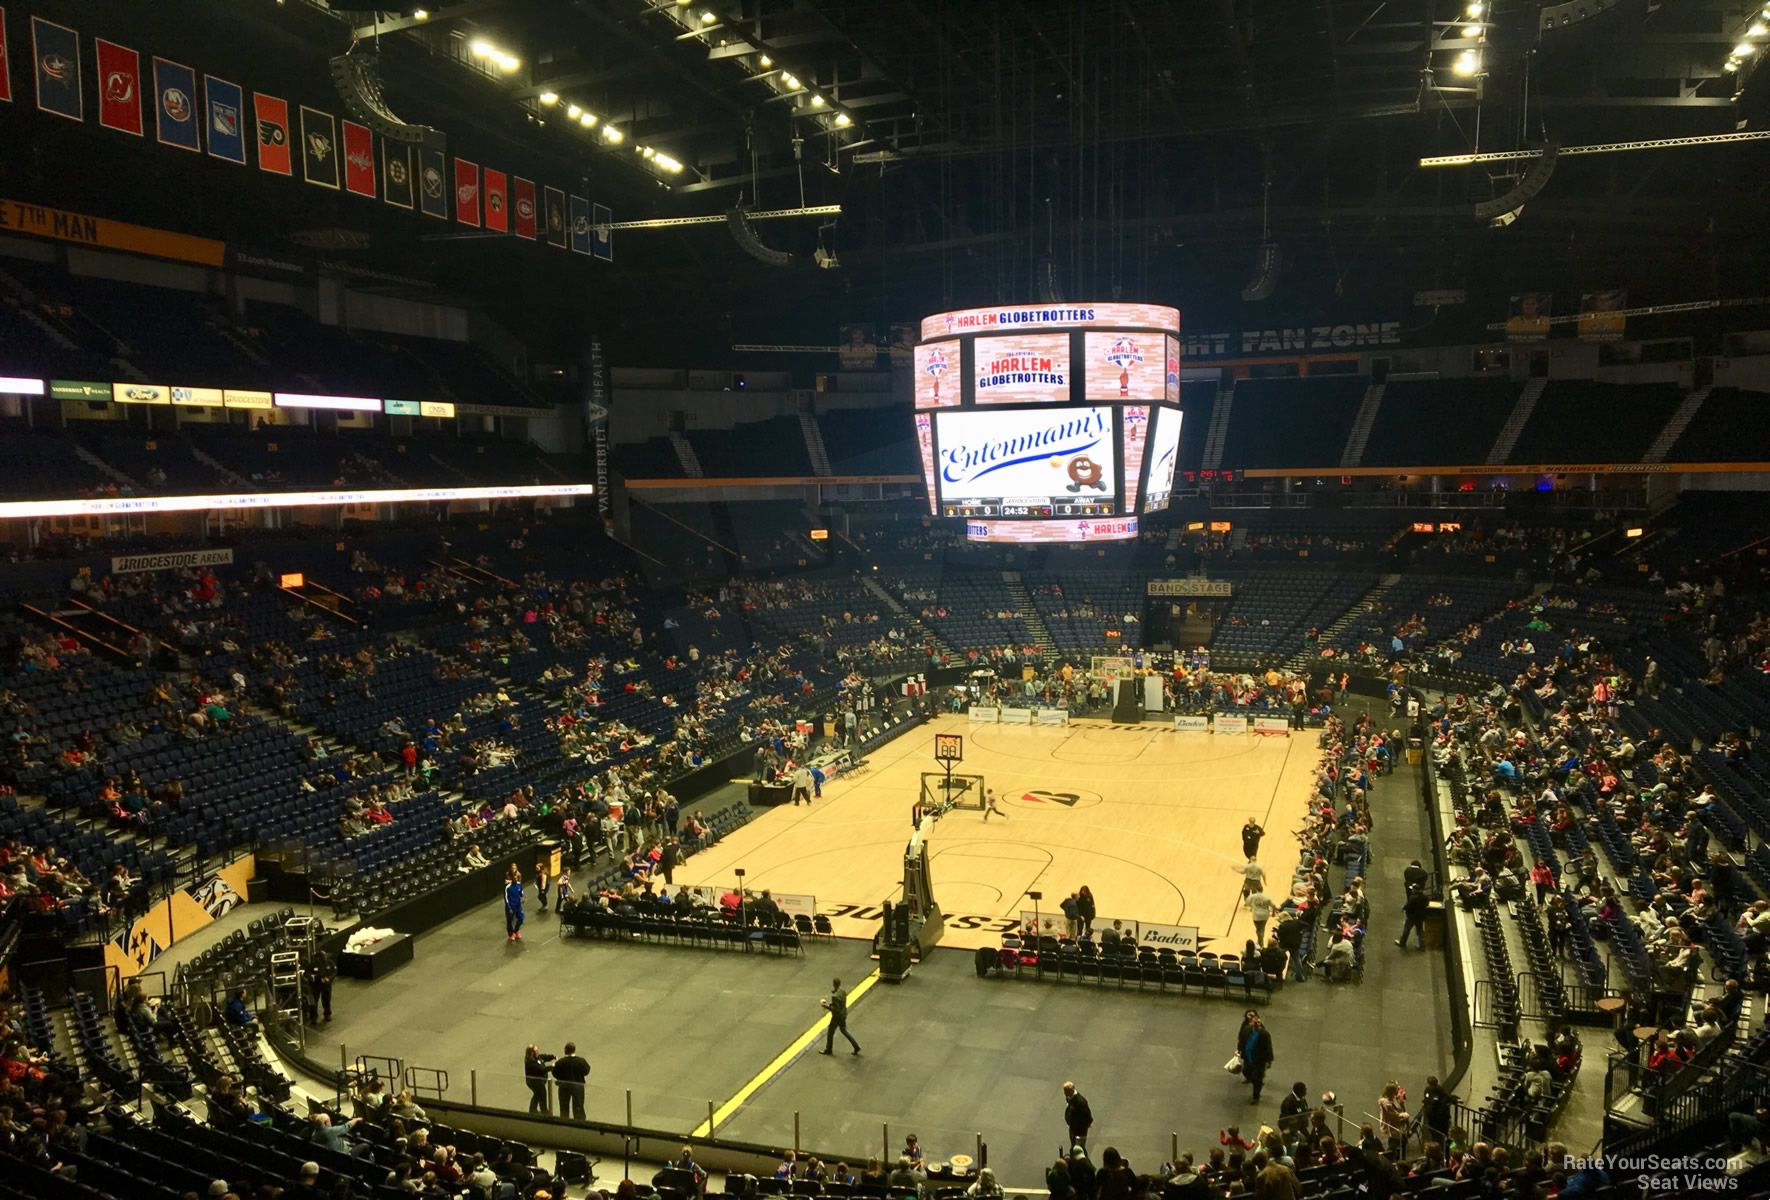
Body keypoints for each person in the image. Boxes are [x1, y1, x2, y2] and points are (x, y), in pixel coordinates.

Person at [1238, 1012, 1274, 1103]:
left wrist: (1269, 1061)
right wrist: (1239, 1050)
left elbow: (1268, 1047)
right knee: (1245, 1071)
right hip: (1248, 1057)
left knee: (1257, 1079)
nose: (1257, 1024)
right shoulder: (1247, 1030)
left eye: (1258, 1022)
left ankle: (1256, 1097)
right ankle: (1255, 1081)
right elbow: (1242, 1040)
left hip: (1259, 1060)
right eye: (1255, 1022)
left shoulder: (1264, 1034)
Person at [820, 977, 861, 1055]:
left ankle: (829, 1049)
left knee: (830, 1032)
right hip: (844, 1013)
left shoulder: (835, 997)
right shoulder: (842, 991)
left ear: (833, 984)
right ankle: (856, 1046)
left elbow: (835, 1009)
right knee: (844, 1030)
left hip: (837, 1017)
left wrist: (826, 1006)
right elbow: (840, 1001)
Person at [553, 1042, 590, 1120]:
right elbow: (587, 1071)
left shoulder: (560, 1062)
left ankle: (564, 1122)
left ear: (566, 1050)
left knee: (564, 1107)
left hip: (564, 1087)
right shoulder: (581, 1061)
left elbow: (555, 1073)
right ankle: (580, 1123)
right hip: (578, 1087)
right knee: (578, 1106)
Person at [303, 950, 336, 1024]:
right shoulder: (313, 964)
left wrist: (330, 978)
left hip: (326, 985)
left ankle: (327, 1014)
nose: (325, 957)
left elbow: (334, 971)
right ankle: (313, 1017)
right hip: (316, 985)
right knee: (314, 1002)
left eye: (325, 956)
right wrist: (312, 977)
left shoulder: (329, 962)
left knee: (326, 1000)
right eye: (323, 956)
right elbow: (306, 973)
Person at [1396, 884, 1429, 950]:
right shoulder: (1425, 897)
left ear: (1415, 890)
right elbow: (1427, 904)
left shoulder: (1412, 897)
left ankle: (1402, 942)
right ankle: (1422, 946)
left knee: (1407, 929)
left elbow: (1408, 905)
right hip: (1420, 917)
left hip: (1412, 916)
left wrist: (1403, 908)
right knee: (1420, 931)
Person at [523, 1045, 553, 1114]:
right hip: (535, 1082)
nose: (538, 1052)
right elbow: (541, 1070)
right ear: (531, 1053)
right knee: (541, 1094)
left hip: (539, 1082)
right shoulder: (531, 1062)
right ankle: (544, 1110)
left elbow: (543, 1057)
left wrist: (552, 1057)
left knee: (537, 1095)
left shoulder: (537, 1057)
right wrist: (552, 1067)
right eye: (536, 1051)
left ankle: (533, 1110)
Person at [1063, 1081, 1093, 1148]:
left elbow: (1087, 1116)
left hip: (1079, 1131)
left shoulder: (1080, 1102)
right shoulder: (1070, 1098)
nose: (1064, 1093)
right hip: (1074, 1128)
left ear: (1070, 1091)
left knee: (1079, 1148)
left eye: (1065, 1091)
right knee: (1074, 1147)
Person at [505, 867, 525, 942]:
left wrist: (523, 898)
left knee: (521, 918)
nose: (516, 879)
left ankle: (516, 930)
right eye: (515, 878)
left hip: (518, 906)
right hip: (510, 907)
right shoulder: (508, 887)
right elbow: (506, 899)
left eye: (517, 878)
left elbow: (521, 894)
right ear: (512, 878)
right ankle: (510, 935)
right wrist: (509, 908)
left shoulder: (519, 885)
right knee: (509, 921)